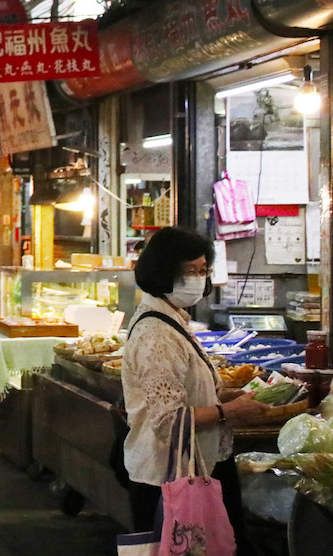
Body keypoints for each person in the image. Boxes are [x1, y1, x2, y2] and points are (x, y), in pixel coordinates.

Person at [122, 227, 267, 554]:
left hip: (197, 466)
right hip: (169, 479)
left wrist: (224, 397)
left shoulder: (171, 319)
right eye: (191, 271)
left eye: (203, 270)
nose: (199, 279)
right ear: (164, 272)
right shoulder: (156, 333)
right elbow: (168, 422)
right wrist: (229, 411)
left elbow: (184, 392)